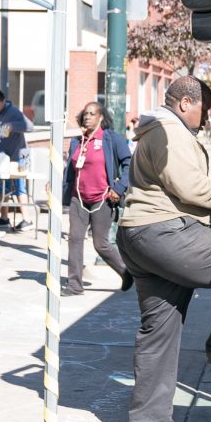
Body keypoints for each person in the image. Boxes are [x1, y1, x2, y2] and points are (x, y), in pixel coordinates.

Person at [116, 76, 211, 420]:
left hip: (139, 236)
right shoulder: (170, 132)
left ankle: (149, 417)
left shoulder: (155, 129)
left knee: (158, 331)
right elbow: (195, 191)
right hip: (165, 233)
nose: (206, 118)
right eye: (204, 109)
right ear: (185, 103)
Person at [62, 102, 133, 296]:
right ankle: (75, 285)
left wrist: (118, 188)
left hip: (102, 199)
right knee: (74, 238)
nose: (87, 117)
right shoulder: (78, 141)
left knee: (100, 244)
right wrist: (59, 188)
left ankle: (126, 272)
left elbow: (129, 164)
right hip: (79, 198)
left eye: (92, 114)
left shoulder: (111, 140)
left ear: (101, 117)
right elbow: (70, 170)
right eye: (85, 114)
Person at [0, 89, 34, 231]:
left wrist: (13, 126)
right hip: (1, 157)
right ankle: (4, 218)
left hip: (19, 154)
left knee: (19, 186)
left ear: (4, 101)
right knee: (2, 186)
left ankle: (27, 220)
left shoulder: (14, 112)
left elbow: (30, 127)